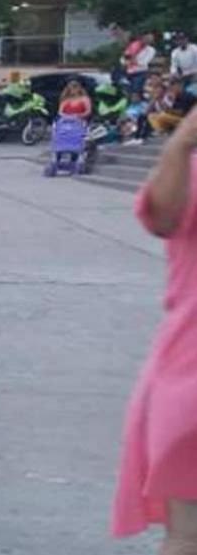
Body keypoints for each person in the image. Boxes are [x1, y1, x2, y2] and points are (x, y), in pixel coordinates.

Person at [112, 104, 197, 555]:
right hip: (190, 376)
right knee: (188, 536)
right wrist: (182, 143)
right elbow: (161, 218)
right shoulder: (188, 172)